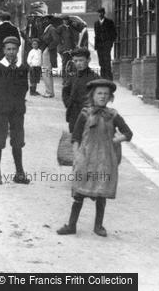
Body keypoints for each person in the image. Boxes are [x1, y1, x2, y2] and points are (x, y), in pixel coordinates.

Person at [56, 79, 133, 237]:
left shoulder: (113, 115)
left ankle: (98, 226)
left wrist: (117, 140)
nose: (102, 96)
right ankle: (71, 225)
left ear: (110, 97)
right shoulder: (84, 114)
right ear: (92, 95)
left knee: (101, 193)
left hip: (105, 160)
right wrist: (77, 156)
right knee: (79, 193)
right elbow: (76, 137)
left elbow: (128, 133)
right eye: (99, 93)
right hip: (86, 158)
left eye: (106, 94)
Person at [0, 36, 30, 185]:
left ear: (18, 50)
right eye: (8, 49)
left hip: (17, 110)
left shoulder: (23, 68)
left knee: (18, 141)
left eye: (14, 49)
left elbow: (24, 87)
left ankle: (19, 173)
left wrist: (19, 104)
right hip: (1, 110)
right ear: (3, 50)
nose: (11, 52)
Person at [62, 48, 100, 132]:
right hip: (74, 115)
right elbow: (65, 91)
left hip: (88, 116)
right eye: (75, 61)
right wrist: (68, 103)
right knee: (75, 140)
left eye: (81, 60)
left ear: (88, 60)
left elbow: (99, 96)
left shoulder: (94, 78)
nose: (78, 63)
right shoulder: (72, 77)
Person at [40, 16, 60, 98]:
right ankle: (49, 91)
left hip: (48, 52)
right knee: (47, 72)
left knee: (46, 72)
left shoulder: (51, 29)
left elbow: (56, 40)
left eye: (45, 20)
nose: (43, 21)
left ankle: (49, 92)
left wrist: (48, 48)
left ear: (49, 20)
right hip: (47, 51)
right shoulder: (48, 29)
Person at [94, 8, 116, 80]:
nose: (100, 14)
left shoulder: (109, 22)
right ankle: (102, 77)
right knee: (101, 61)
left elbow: (114, 34)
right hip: (99, 45)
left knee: (107, 60)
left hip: (106, 45)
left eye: (101, 13)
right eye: (99, 13)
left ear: (104, 13)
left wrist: (110, 43)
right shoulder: (96, 23)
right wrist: (96, 45)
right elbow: (96, 35)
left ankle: (109, 77)